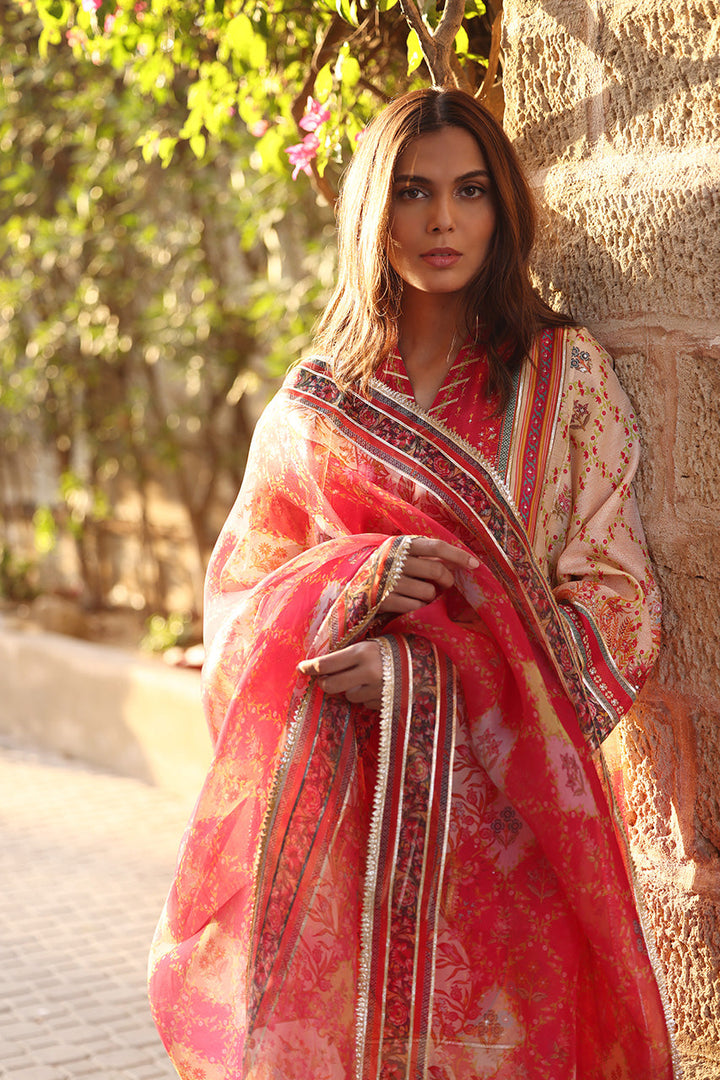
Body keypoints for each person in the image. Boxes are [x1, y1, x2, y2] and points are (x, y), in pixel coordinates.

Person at [148, 89, 676, 1079]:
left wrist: (424, 681)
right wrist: (353, 584)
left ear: (502, 208)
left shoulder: (563, 377)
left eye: (470, 191)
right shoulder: (317, 410)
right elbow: (239, 613)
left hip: (514, 832)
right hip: (345, 829)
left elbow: (620, 605)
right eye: (413, 192)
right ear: (372, 211)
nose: (443, 220)